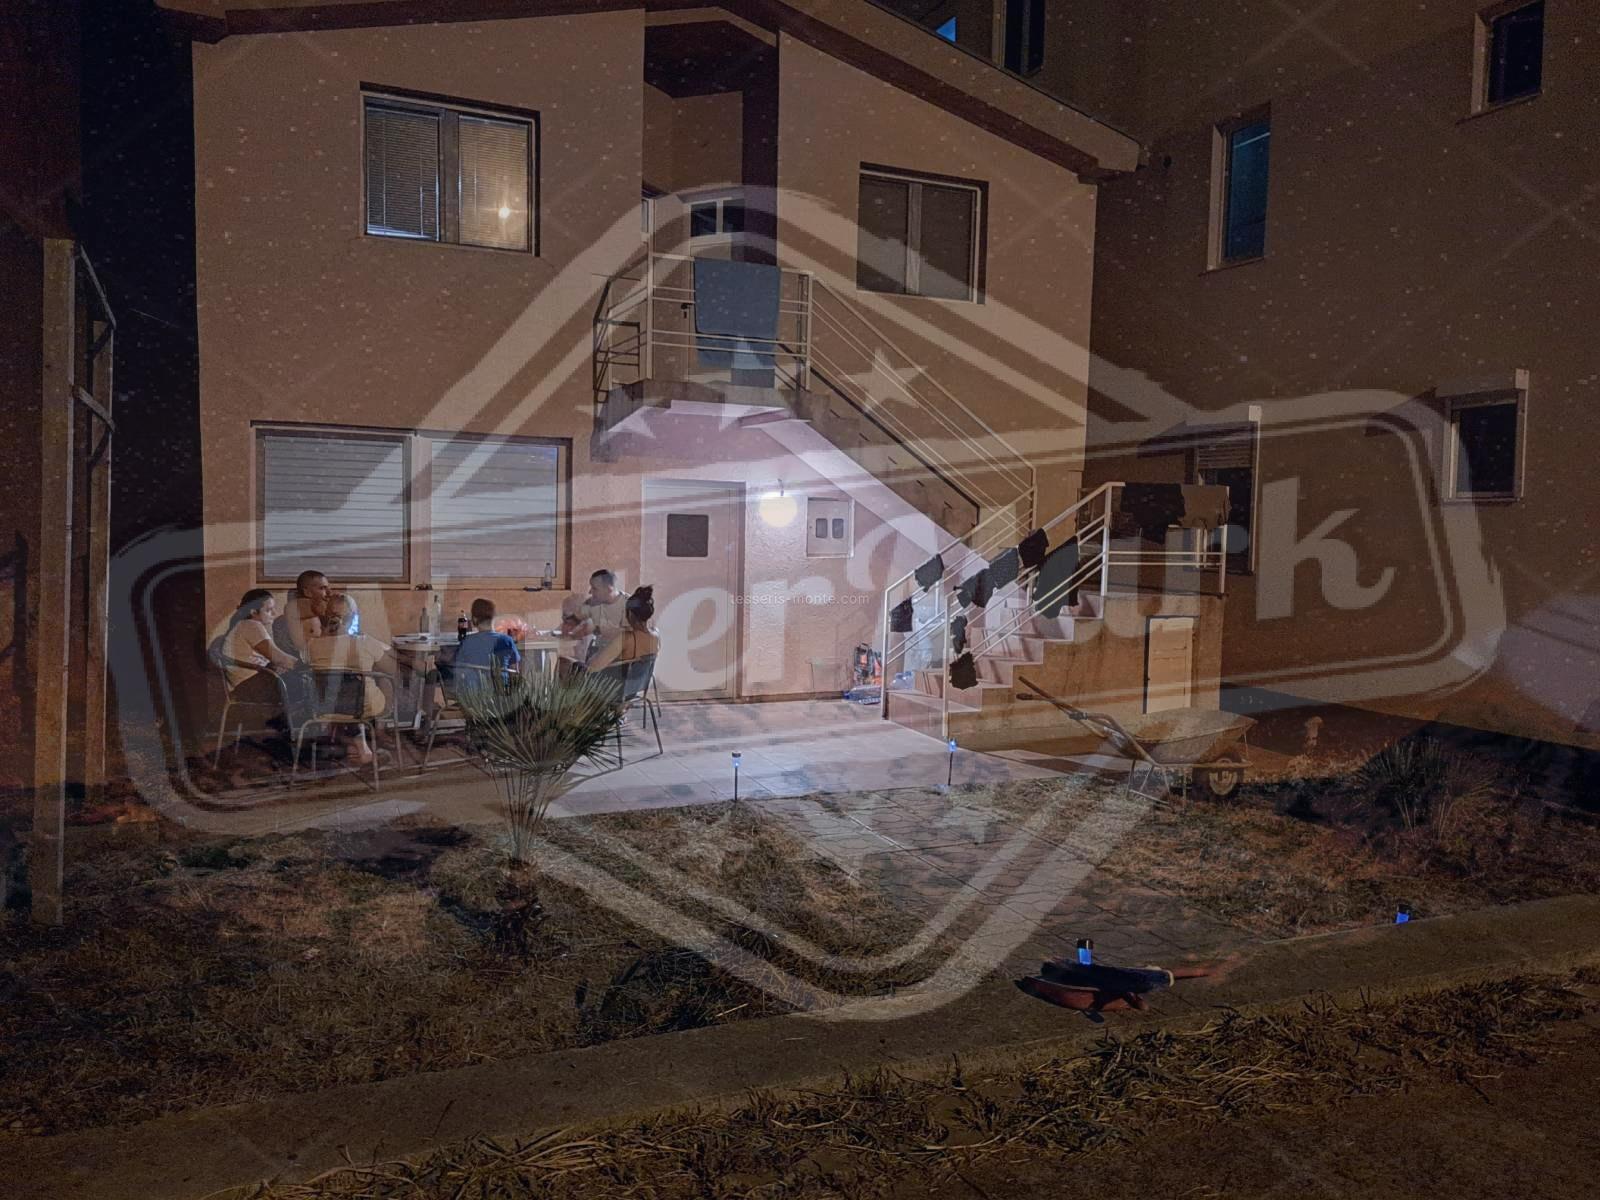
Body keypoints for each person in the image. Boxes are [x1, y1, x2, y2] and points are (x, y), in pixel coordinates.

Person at [305, 596, 394, 765]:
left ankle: (355, 746)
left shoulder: (311, 645)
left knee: (347, 694)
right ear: (353, 617)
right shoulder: (364, 642)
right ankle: (379, 730)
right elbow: (391, 669)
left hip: (324, 707)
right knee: (384, 681)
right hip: (362, 708)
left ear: (326, 616)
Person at [216, 588, 297, 702]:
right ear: (253, 612)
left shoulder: (243, 625)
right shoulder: (251, 625)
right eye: (269, 610)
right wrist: (302, 664)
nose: (274, 613)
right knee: (304, 681)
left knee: (300, 680)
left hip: (249, 683)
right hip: (251, 686)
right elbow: (278, 657)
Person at [451, 597, 521, 695]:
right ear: (494, 618)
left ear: (474, 619)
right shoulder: (506, 640)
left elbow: (458, 672)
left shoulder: (467, 642)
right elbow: (515, 671)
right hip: (500, 694)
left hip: (474, 696)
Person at [586, 585, 660, 673]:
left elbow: (592, 667)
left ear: (630, 614)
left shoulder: (625, 639)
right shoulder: (656, 635)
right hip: (640, 681)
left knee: (573, 664)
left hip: (613, 681)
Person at [566, 569, 628, 663]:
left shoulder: (628, 605)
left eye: (594, 588)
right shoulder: (592, 603)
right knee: (564, 661)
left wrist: (596, 628)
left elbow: (630, 636)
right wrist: (569, 627)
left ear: (609, 589)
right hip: (598, 653)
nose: (590, 592)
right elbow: (575, 619)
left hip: (619, 659)